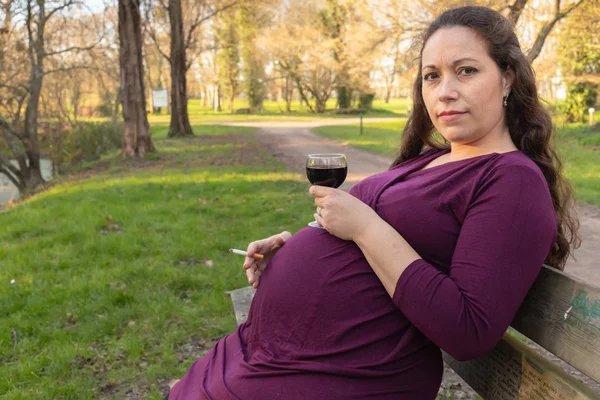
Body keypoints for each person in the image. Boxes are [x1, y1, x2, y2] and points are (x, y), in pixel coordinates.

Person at [168, 6, 579, 399]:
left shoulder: (512, 181)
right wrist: (291, 252)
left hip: (342, 375)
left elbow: (467, 330)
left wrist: (364, 227)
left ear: (507, 78)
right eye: (431, 76)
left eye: (466, 71)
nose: (445, 92)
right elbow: (374, 251)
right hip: (273, 355)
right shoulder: (434, 159)